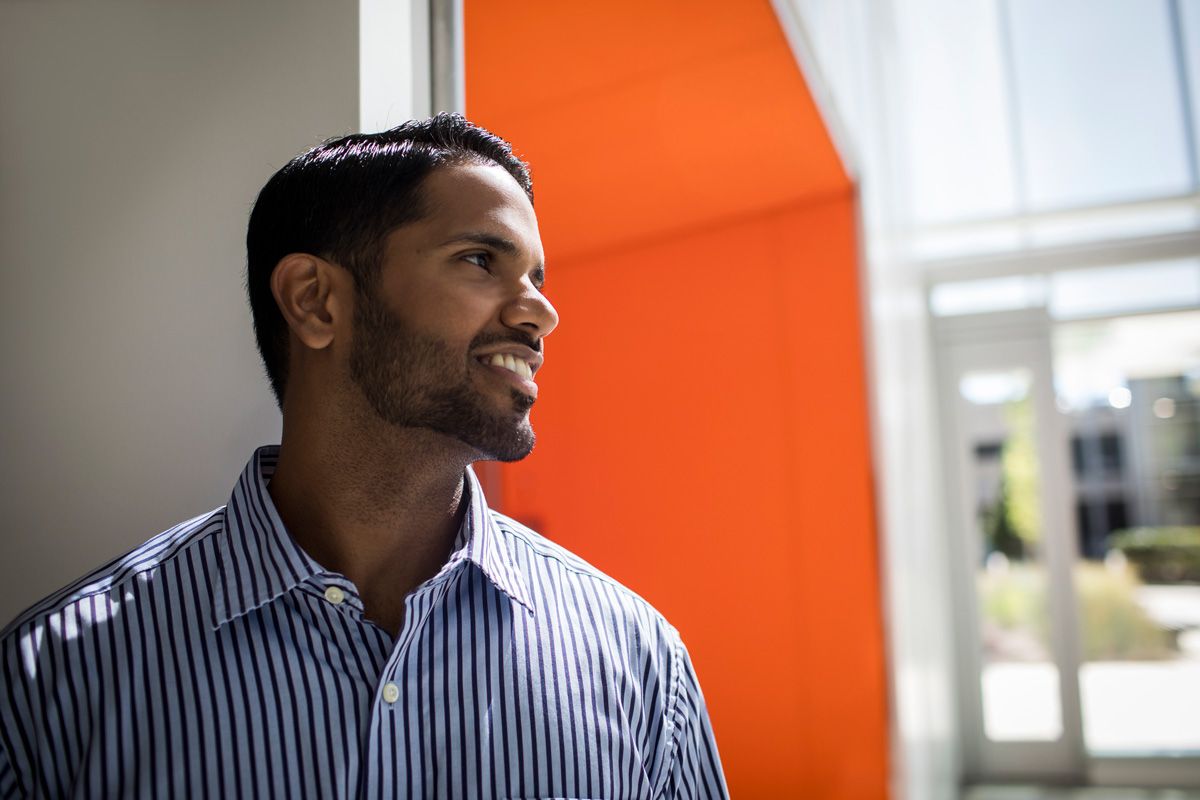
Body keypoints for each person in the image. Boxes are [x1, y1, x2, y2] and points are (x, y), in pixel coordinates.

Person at [0, 114, 728, 799]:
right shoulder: (54, 679)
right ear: (316, 302)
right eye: (481, 259)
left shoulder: (637, 664)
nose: (540, 311)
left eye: (538, 279)